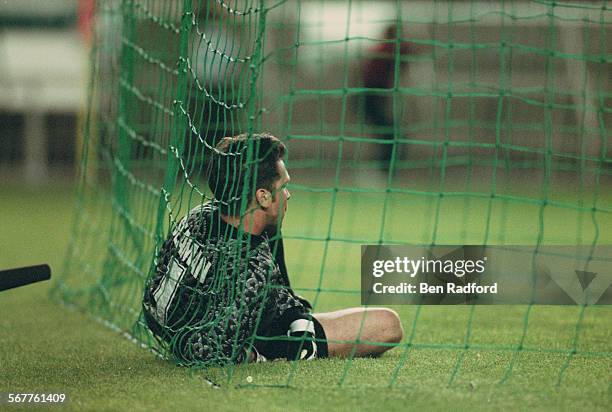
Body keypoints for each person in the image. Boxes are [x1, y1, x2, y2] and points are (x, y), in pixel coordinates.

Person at [142, 132, 403, 366]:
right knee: (388, 324)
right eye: (284, 186)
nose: (288, 194)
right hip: (257, 332)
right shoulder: (253, 268)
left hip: (170, 321)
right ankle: (295, 347)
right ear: (263, 196)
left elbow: (153, 293)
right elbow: (205, 350)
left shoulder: (198, 215)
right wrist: (256, 355)